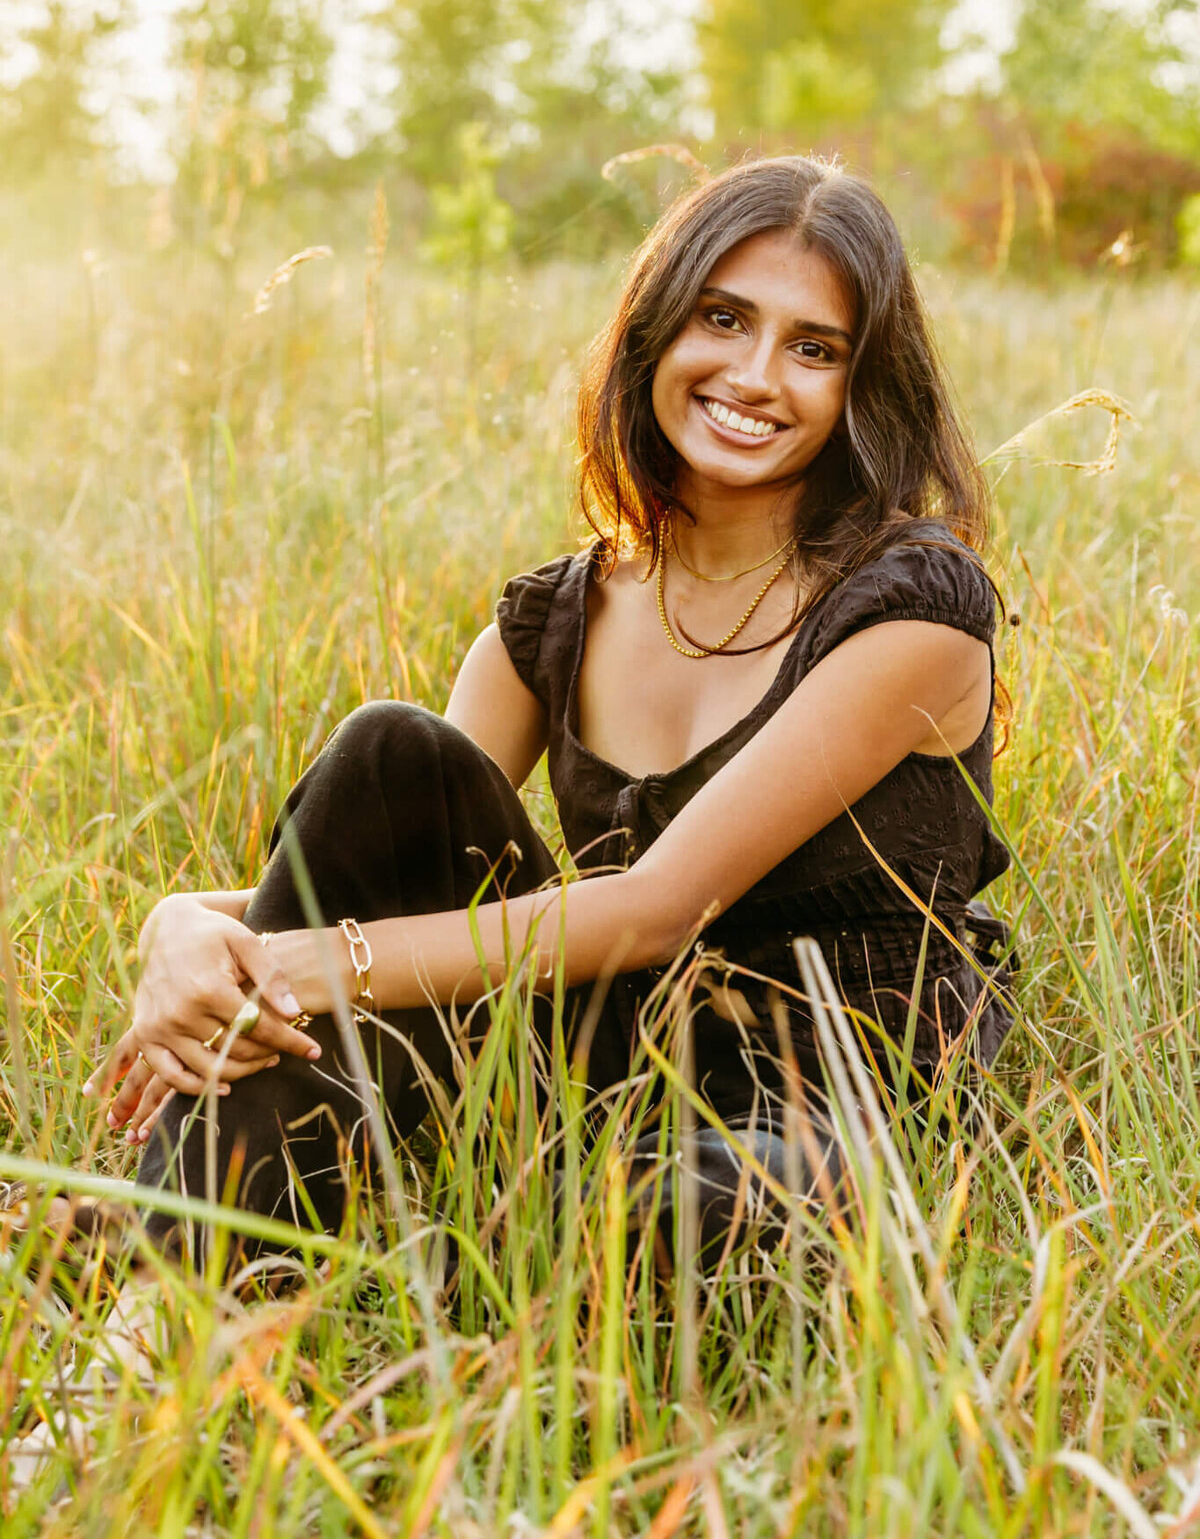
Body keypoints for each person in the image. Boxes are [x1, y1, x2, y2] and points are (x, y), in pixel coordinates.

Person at [86, 153, 1015, 1263]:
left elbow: (658, 908)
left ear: (863, 386)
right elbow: (383, 879)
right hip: (600, 1077)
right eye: (723, 318)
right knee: (393, 752)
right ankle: (175, 1289)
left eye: (813, 348)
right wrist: (190, 926)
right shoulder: (553, 624)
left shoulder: (912, 612)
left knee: (632, 1221)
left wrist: (284, 965)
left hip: (821, 1120)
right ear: (656, 331)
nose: (758, 374)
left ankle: (279, 1236)